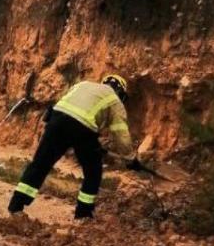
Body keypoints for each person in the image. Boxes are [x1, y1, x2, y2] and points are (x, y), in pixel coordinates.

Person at [8, 74, 133, 220]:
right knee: (93, 172)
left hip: (57, 120)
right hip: (83, 129)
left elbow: (64, 102)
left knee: (40, 164)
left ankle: (15, 207)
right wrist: (130, 158)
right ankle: (83, 215)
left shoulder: (83, 84)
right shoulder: (114, 100)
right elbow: (121, 133)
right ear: (120, 91)